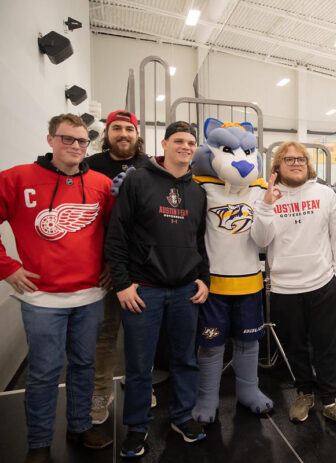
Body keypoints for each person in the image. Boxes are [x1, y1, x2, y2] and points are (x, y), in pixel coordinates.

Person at [0, 114, 114, 463]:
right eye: (68, 139)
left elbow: (113, 231)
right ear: (50, 140)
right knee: (45, 371)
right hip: (40, 298)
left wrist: (110, 265)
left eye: (82, 141)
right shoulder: (17, 178)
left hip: (89, 295)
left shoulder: (100, 183)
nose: (76, 147)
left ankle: (80, 427)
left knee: (83, 364)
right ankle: (38, 443)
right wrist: (7, 267)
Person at [105, 121, 210, 458]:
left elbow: (199, 242)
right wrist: (122, 283)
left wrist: (203, 278)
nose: (186, 146)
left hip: (184, 291)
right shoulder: (138, 180)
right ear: (164, 144)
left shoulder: (197, 192)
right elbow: (117, 235)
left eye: (191, 142)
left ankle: (182, 416)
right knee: (139, 365)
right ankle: (137, 427)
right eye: (179, 140)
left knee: (185, 360)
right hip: (143, 290)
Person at [251, 141, 336, 428]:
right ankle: (304, 394)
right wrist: (266, 205)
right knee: (295, 347)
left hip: (324, 284)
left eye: (300, 159)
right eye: (288, 159)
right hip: (285, 288)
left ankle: (330, 400)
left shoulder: (324, 194)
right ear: (277, 166)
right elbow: (260, 241)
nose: (295, 163)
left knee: (325, 346)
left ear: (307, 164)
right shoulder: (267, 197)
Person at [189, 120, 274, 422]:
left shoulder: (262, 189)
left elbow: (264, 238)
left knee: (249, 342)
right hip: (212, 286)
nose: (240, 160)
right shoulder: (199, 186)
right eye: (228, 150)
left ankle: (248, 390)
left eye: (248, 151)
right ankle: (207, 397)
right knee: (211, 346)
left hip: (250, 283)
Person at [84, 110, 152, 425]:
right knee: (106, 332)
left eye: (129, 128)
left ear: (137, 134)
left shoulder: (149, 167)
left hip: (142, 268)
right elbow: (90, 222)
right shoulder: (91, 167)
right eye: (116, 129)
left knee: (141, 334)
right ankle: (101, 392)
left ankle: (141, 386)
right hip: (105, 268)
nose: (123, 134)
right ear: (107, 133)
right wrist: (108, 262)